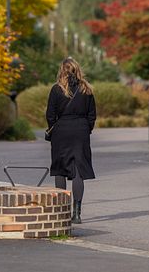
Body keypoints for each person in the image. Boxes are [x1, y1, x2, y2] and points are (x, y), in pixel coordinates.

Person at [46, 57, 96, 224]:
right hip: (80, 130)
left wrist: (54, 128)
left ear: (62, 70)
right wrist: (85, 129)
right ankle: (77, 213)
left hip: (61, 131)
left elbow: (50, 114)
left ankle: (62, 212)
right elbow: (92, 115)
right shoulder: (86, 90)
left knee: (60, 169)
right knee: (78, 170)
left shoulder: (56, 89)